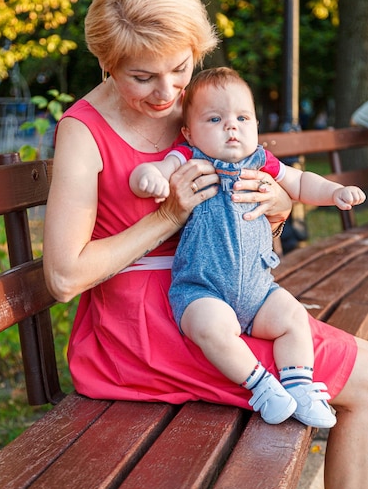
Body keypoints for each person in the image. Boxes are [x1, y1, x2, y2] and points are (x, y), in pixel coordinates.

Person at [43, 0, 368, 489]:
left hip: (226, 292)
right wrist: (166, 218)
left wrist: (278, 201)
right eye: (141, 77)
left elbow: (268, 185)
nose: (165, 92)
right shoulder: (84, 132)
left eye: (179, 68)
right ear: (105, 62)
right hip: (148, 328)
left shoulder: (202, 108)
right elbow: (62, 276)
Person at [130, 66, 366, 428]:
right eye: (215, 118)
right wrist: (149, 178)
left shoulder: (262, 163)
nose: (231, 126)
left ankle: (299, 384)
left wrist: (334, 193)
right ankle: (261, 386)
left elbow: (301, 183)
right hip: (202, 289)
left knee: (292, 318)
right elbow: (158, 169)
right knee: (211, 328)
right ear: (189, 131)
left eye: (242, 117)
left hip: (259, 292)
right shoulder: (191, 157)